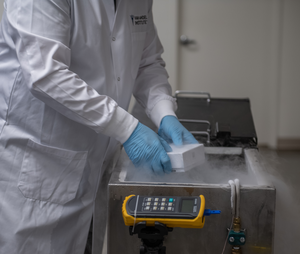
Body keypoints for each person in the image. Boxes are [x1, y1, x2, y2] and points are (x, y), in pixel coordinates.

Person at [0, 0, 198, 253]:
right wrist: (129, 129)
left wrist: (164, 113)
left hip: (98, 163)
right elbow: (46, 73)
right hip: (40, 165)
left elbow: (147, 63)